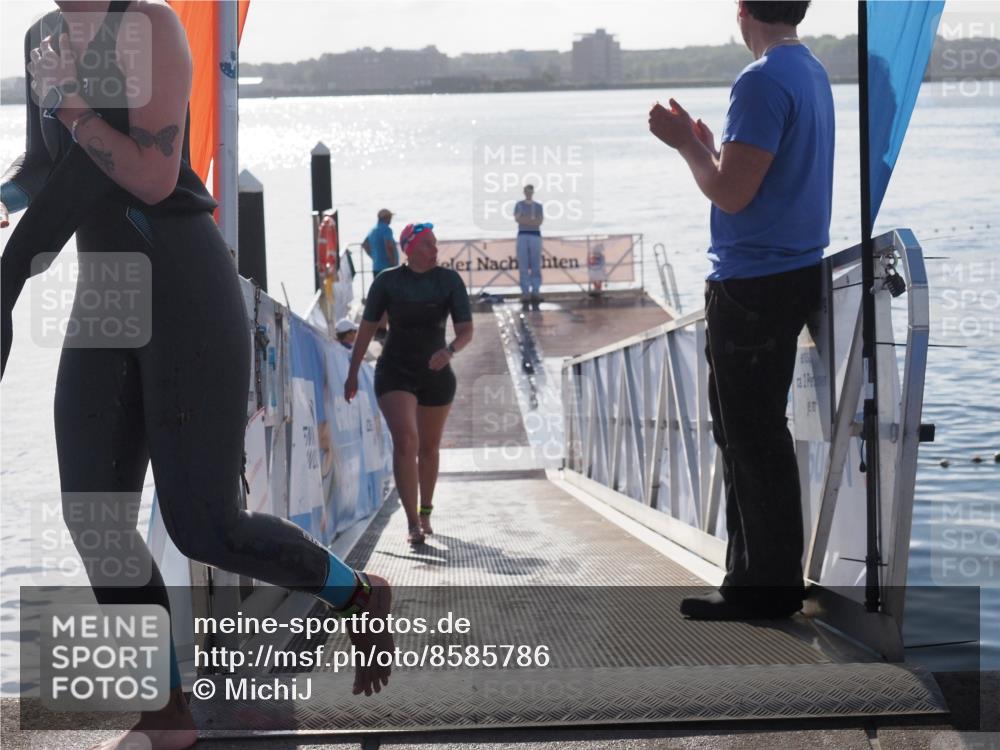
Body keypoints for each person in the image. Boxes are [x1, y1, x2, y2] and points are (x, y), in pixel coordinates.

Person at [0, 4, 393, 748]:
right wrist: (4, 196)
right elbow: (43, 164)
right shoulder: (41, 40)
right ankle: (165, 708)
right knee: (95, 520)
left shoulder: (152, 30)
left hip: (182, 281)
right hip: (107, 291)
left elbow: (151, 175)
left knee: (204, 524)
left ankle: (358, 594)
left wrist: (75, 107)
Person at [648, 0, 832, 620]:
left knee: (747, 435)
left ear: (743, 10)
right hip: (793, 270)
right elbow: (758, 176)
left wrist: (685, 148)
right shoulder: (810, 70)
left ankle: (763, 587)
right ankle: (764, 577)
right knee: (755, 433)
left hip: (754, 281)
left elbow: (730, 192)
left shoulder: (760, 79)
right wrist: (708, 143)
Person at [344, 223, 473, 545]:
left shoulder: (448, 281)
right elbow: (367, 328)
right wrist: (353, 371)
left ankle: (426, 511)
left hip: (436, 373)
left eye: (436, 244)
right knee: (405, 440)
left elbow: (466, 330)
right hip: (395, 370)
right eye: (428, 244)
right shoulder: (388, 281)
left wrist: (449, 351)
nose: (435, 250)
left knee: (429, 448)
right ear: (410, 248)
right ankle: (412, 522)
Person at [362, 208, 398, 341]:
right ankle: (382, 329)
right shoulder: (386, 230)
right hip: (387, 268)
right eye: (390, 217)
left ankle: (380, 329)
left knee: (382, 298)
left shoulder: (373, 230)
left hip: (377, 267)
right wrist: (393, 263)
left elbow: (364, 244)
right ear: (386, 218)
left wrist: (374, 256)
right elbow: (388, 245)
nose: (391, 219)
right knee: (388, 299)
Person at [513, 184, 544, 304]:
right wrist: (531, 221)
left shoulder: (538, 206)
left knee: (536, 265)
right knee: (523, 265)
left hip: (535, 236)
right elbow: (518, 219)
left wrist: (527, 220)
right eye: (527, 191)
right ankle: (525, 292)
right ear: (524, 192)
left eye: (530, 191)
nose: (528, 193)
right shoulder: (519, 205)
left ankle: (535, 291)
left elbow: (539, 221)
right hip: (522, 235)